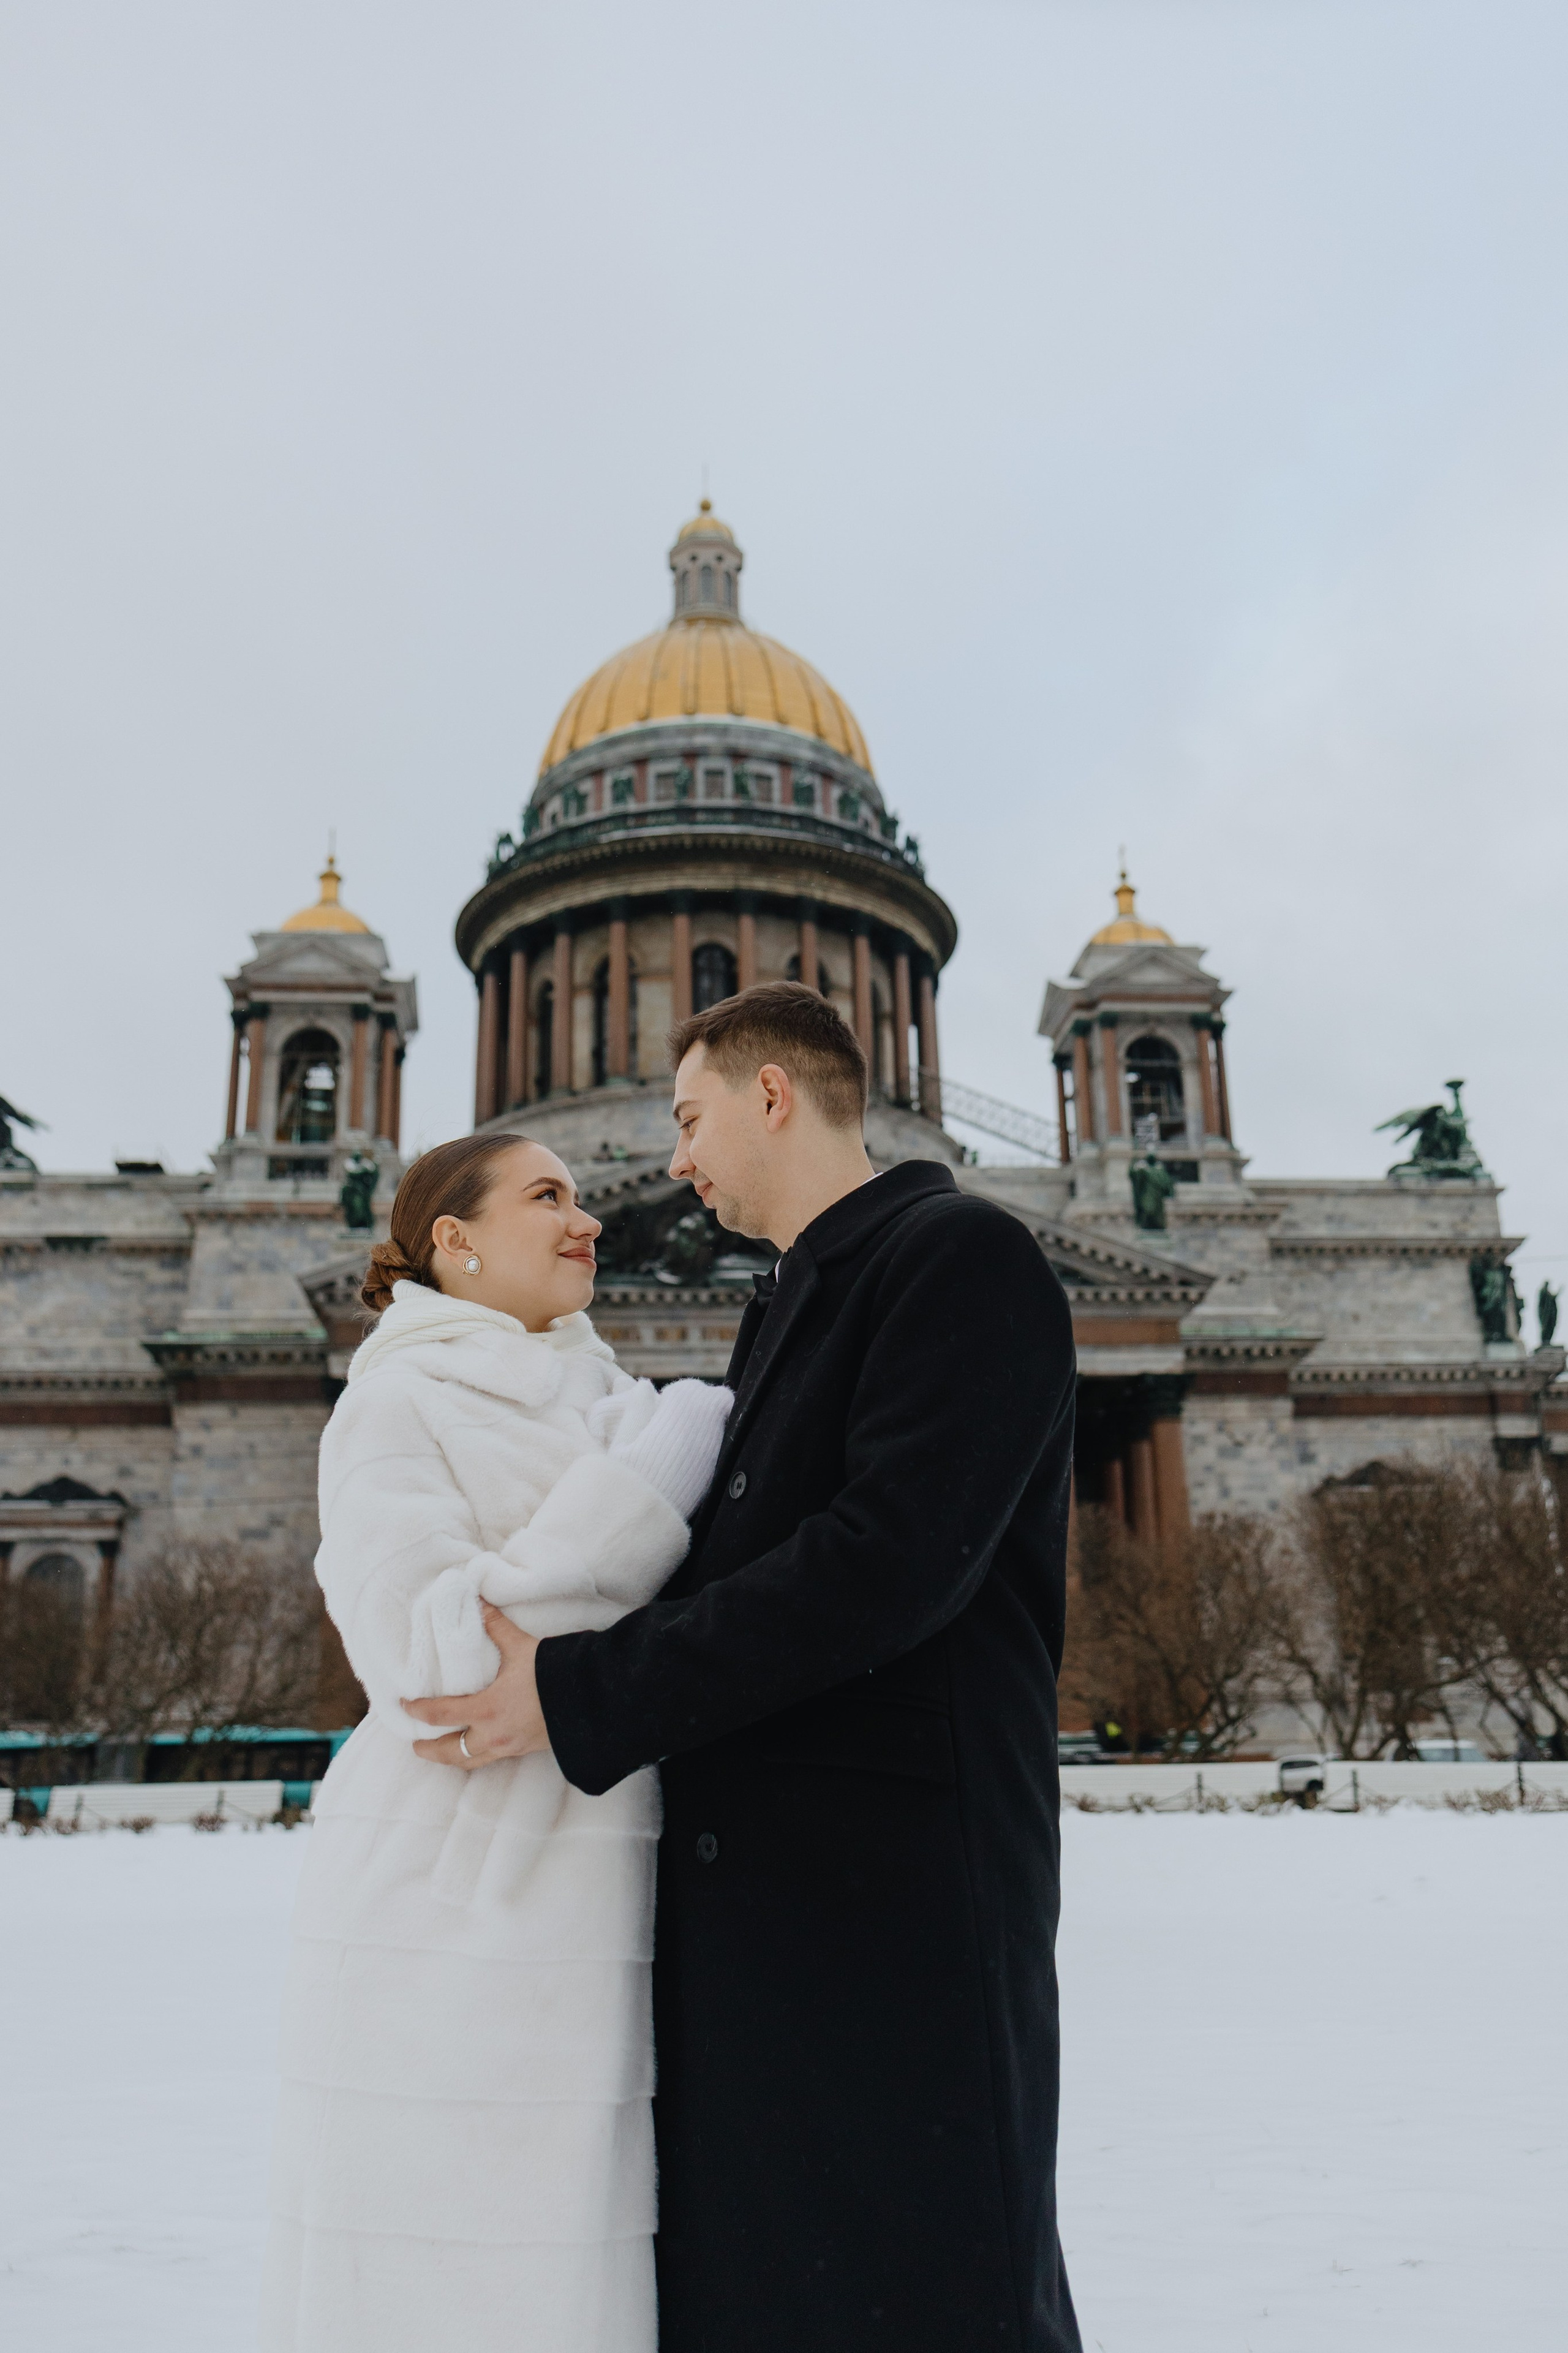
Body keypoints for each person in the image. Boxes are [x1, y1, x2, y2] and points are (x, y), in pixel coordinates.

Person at [410, 983, 1084, 2353]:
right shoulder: (791, 1300)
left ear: (771, 1096)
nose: (670, 1161)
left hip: (897, 1927)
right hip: (782, 1929)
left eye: (689, 1114)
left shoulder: (958, 1254)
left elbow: (881, 1565)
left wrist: (575, 1687)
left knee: (930, 2301)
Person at [260, 1131, 733, 2353]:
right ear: (454, 1240)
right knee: (445, 2291)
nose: (586, 1220)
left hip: (599, 1903)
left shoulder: (621, 1402)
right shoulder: (396, 1401)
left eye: (582, 1197)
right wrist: (643, 1502)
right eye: (547, 1197)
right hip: (448, 1911)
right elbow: (428, 1660)